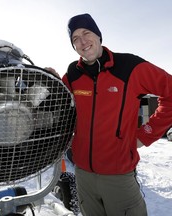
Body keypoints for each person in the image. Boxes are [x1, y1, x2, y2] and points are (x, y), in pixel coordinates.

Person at [52, 13, 172, 216]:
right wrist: (50, 80)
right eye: (75, 39)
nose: (82, 41)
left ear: (98, 35)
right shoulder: (72, 74)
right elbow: (59, 106)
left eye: (86, 33)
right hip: (83, 177)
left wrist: (146, 134)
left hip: (118, 177)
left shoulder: (130, 67)